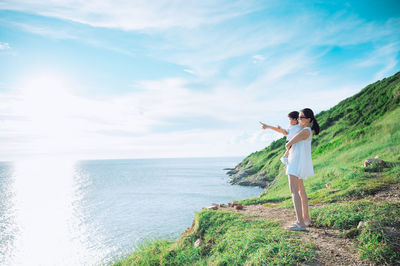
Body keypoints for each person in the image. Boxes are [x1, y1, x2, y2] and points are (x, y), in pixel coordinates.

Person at [284, 108, 320, 231]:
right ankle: (305, 219)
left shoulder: (305, 131)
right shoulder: (306, 130)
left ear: (308, 119)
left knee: (294, 191)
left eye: (301, 117)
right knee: (300, 191)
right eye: (298, 117)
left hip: (295, 163)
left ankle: (300, 222)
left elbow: (290, 142)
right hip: (298, 162)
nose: (298, 119)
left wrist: (287, 146)